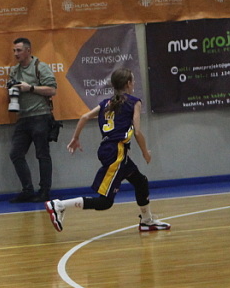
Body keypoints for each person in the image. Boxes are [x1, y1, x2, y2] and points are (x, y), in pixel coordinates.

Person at [46, 69, 171, 233]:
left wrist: (75, 138)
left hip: (109, 149)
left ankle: (147, 220)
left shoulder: (106, 103)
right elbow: (137, 132)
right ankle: (60, 205)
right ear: (128, 84)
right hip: (116, 152)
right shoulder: (134, 102)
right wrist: (145, 152)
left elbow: (84, 117)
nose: (134, 84)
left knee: (140, 181)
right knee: (105, 202)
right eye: (133, 81)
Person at [7, 36, 57, 203]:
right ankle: (27, 190)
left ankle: (44, 191)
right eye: (14, 50)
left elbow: (52, 90)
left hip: (40, 115)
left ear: (28, 50)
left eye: (19, 50)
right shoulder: (14, 71)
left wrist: (30, 88)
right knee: (16, 153)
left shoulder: (40, 67)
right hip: (23, 117)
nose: (16, 54)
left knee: (42, 155)